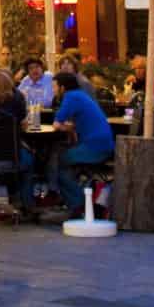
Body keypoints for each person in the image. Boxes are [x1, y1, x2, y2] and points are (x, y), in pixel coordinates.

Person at [46, 68, 115, 215]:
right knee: (62, 157)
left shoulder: (70, 97)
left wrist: (66, 127)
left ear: (62, 87)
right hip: (103, 144)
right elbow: (74, 122)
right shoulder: (80, 94)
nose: (53, 90)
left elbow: (57, 124)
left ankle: (78, 203)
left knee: (59, 161)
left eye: (54, 86)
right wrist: (70, 127)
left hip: (95, 148)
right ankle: (75, 201)